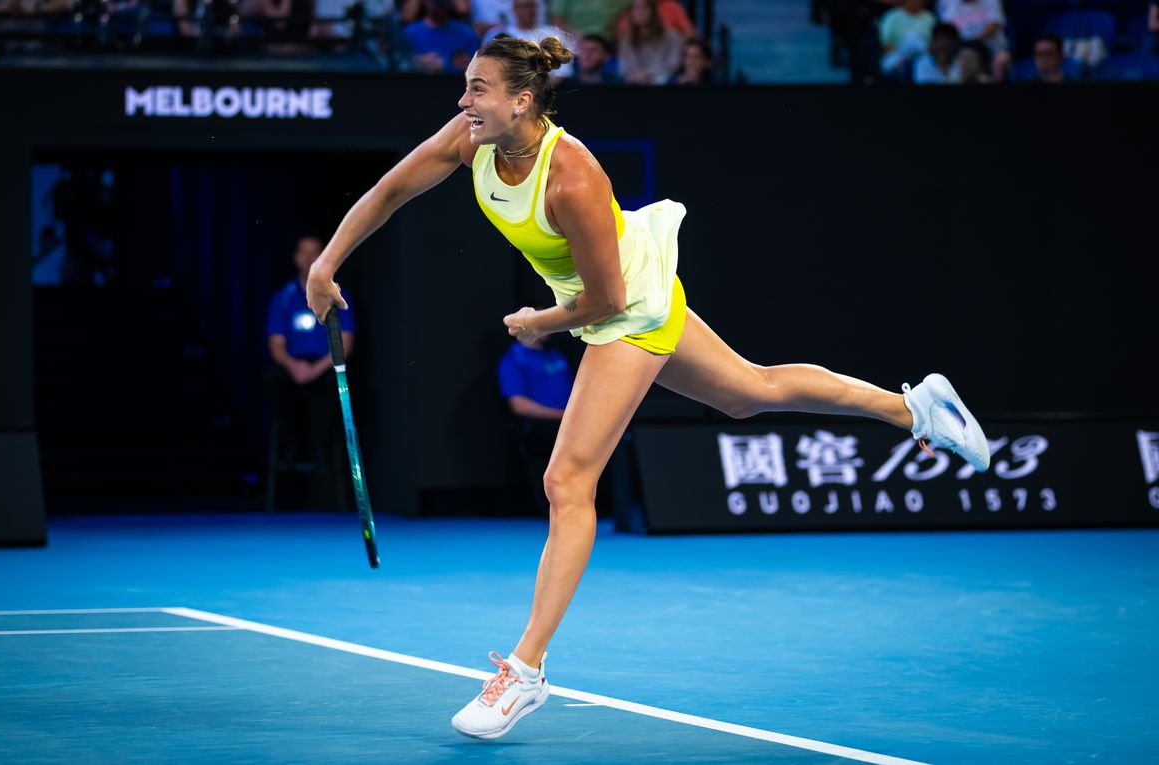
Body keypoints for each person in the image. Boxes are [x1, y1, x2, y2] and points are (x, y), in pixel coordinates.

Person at [305, 35, 991, 740]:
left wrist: (540, 321)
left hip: (625, 307)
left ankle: (528, 669)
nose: (463, 100)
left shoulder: (571, 177)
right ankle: (915, 407)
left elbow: (604, 304)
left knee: (567, 482)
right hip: (616, 292)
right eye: (466, 85)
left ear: (521, 100)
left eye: (478, 88)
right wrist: (328, 263)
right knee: (747, 391)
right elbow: (390, 189)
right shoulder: (470, 140)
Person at [268, 235, 354, 473]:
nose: (309, 259)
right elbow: (276, 345)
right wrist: (293, 366)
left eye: (315, 252)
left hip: (324, 365)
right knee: (273, 381)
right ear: (296, 258)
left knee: (335, 386)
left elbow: (346, 342)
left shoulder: (338, 295)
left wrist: (316, 370)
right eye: (304, 253)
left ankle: (320, 448)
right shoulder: (282, 297)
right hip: (293, 365)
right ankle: (291, 445)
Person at [498, 335, 574, 513]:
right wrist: (562, 416)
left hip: (570, 425)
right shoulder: (514, 359)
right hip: (540, 429)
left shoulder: (556, 356)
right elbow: (518, 404)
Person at [482, 0, 574, 79]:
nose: (530, 10)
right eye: (526, 6)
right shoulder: (499, 35)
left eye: (533, 6)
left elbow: (564, 69)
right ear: (515, 9)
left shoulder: (553, 33)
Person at [400, 0, 481, 74]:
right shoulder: (410, 33)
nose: (439, 8)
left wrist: (464, 66)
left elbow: (479, 69)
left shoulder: (467, 34)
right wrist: (416, 63)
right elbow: (399, 65)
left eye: (442, 3)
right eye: (436, 3)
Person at [617, 0, 684, 85]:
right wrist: (635, 76)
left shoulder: (671, 37)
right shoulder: (626, 40)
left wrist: (648, 75)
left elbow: (674, 65)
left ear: (653, 11)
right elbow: (624, 69)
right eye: (635, 9)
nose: (640, 12)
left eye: (644, 7)